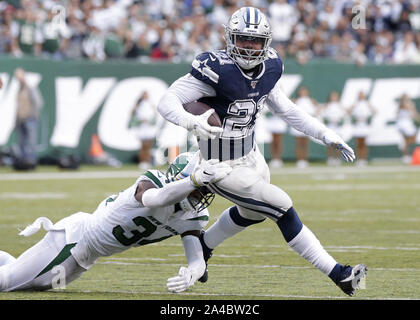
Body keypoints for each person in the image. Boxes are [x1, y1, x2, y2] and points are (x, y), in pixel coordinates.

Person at [157, 7, 367, 296]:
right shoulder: (214, 68)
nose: (249, 46)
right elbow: (167, 101)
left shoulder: (270, 67)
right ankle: (339, 274)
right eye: (243, 39)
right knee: (281, 206)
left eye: (255, 41)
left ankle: (203, 247)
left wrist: (325, 135)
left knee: (252, 213)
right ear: (231, 38)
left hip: (252, 156)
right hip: (221, 165)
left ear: (266, 42)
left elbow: (287, 110)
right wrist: (192, 121)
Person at [0, 152, 232, 292]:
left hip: (85, 259)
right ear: (182, 180)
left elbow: (197, 259)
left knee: (26, 282)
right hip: (73, 240)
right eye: (199, 190)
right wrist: (194, 180)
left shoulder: (194, 216)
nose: (201, 197)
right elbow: (158, 198)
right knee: (7, 282)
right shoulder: (154, 182)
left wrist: (192, 273)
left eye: (203, 191)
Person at [14, 68, 44, 169]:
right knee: (22, 142)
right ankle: (23, 163)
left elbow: (38, 102)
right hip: (21, 119)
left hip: (30, 119)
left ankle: (31, 162)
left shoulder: (30, 88)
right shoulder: (19, 89)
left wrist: (33, 115)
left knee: (31, 142)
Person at [290, 86, 319, 168]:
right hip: (298, 124)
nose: (303, 93)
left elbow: (317, 110)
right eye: (301, 91)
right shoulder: (296, 101)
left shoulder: (311, 101)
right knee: (298, 143)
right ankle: (299, 160)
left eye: (304, 91)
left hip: (307, 125)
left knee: (305, 143)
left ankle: (305, 160)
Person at [130, 91, 158, 169]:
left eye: (146, 94)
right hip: (141, 127)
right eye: (143, 94)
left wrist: (149, 120)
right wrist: (140, 120)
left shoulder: (151, 104)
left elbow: (155, 114)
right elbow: (132, 114)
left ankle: (148, 162)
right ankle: (142, 162)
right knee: (143, 145)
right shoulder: (138, 104)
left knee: (148, 146)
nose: (145, 96)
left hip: (149, 127)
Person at [348, 91, 376, 166]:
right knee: (358, 143)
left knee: (364, 143)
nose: (361, 96)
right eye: (360, 95)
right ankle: (358, 159)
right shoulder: (356, 104)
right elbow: (348, 112)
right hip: (357, 125)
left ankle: (364, 159)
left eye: (362, 95)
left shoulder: (366, 103)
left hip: (364, 125)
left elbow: (374, 112)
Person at [321, 91, 348, 166]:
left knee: (338, 143)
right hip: (330, 127)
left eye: (335, 96)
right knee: (329, 144)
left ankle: (337, 158)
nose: (334, 98)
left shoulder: (340, 105)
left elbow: (345, 114)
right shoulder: (327, 105)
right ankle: (330, 158)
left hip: (338, 128)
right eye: (332, 96)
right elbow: (322, 114)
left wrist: (339, 120)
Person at [396, 93, 420, 164]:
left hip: (409, 124)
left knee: (412, 139)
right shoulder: (402, 106)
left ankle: (403, 147)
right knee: (407, 140)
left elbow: (414, 114)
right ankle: (405, 156)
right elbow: (409, 109)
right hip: (403, 124)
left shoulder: (409, 105)